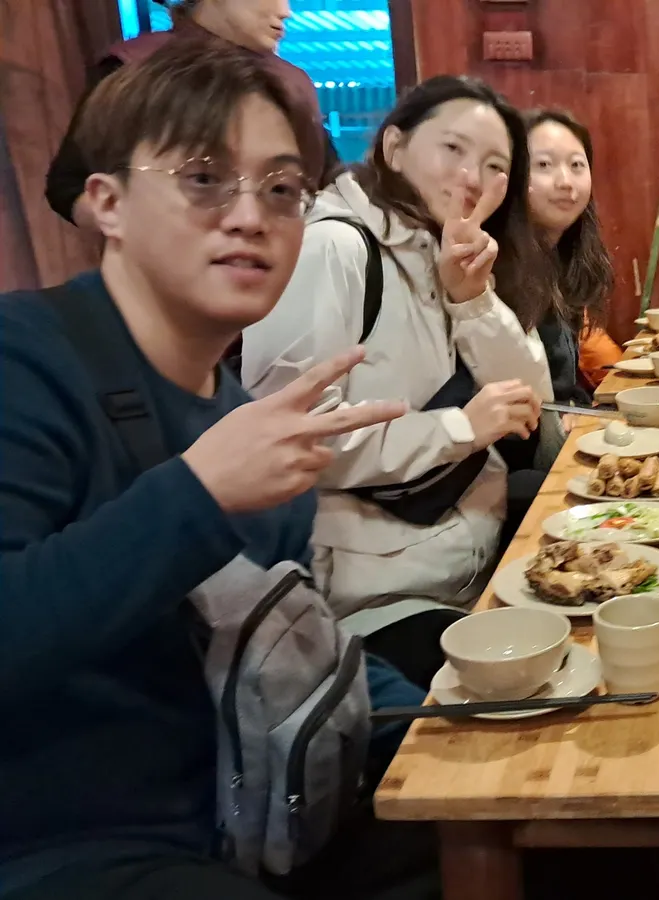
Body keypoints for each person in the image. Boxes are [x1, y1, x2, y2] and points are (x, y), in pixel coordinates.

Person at [0, 41, 433, 900]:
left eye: (281, 189)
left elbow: (287, 642)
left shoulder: (247, 421)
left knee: (532, 839)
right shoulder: (25, 360)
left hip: (256, 816)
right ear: (107, 202)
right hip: (63, 848)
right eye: (203, 178)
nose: (249, 216)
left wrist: (440, 730)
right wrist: (197, 494)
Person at [241, 76, 555, 685]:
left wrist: (471, 300)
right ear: (394, 146)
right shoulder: (333, 248)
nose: (471, 176)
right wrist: (457, 429)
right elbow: (288, 441)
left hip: (463, 569)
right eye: (453, 149)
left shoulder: (453, 250)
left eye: (495, 165)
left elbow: (531, 399)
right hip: (370, 603)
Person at [45, 0, 337, 232]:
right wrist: (154, 233)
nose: (285, 11)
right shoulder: (136, 68)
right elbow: (70, 185)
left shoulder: (292, 83)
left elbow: (328, 182)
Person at [523, 107, 622, 407]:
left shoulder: (567, 260)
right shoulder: (500, 268)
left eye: (577, 165)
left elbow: (561, 387)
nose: (565, 181)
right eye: (544, 165)